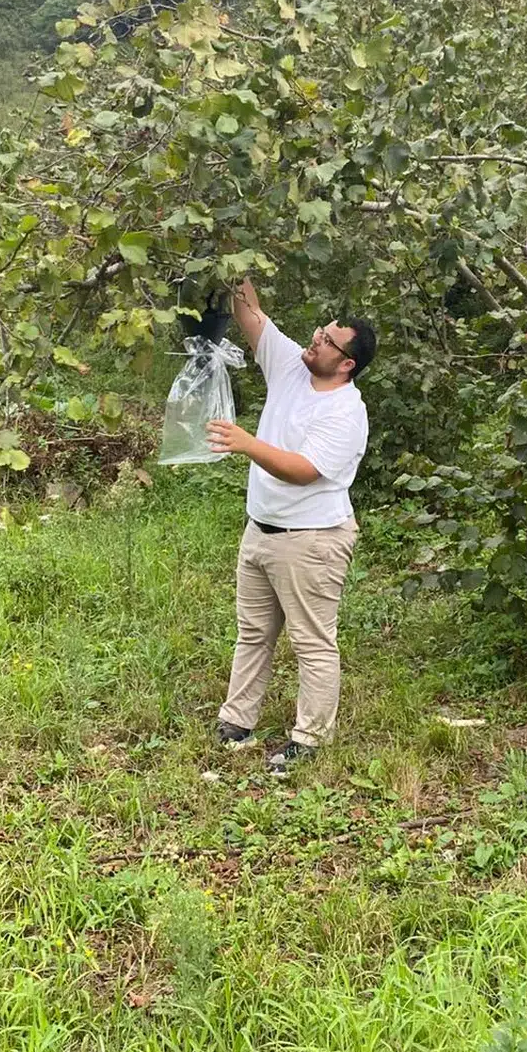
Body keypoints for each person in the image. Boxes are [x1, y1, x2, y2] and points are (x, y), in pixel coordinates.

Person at [206, 279, 375, 771]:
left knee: (311, 641)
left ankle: (308, 738)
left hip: (312, 541)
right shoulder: (290, 367)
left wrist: (245, 442)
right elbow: (251, 314)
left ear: (346, 364)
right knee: (253, 632)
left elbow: (303, 470)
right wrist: (231, 256)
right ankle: (237, 721)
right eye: (320, 331)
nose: (316, 340)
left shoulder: (345, 411)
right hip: (260, 531)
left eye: (328, 341)